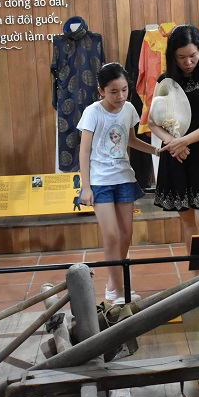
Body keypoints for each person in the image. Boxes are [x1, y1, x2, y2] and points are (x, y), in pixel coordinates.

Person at [78, 62, 161, 304]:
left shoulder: (129, 109)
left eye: (124, 90)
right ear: (101, 91)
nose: (121, 96)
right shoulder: (93, 112)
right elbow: (84, 151)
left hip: (124, 177)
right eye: (113, 92)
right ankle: (120, 289)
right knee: (112, 235)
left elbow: (130, 140)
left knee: (126, 234)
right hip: (100, 181)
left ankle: (113, 286)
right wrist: (86, 187)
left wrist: (156, 151)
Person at [149, 24, 199, 252]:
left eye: (193, 55)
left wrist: (184, 141)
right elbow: (153, 122)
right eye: (181, 57)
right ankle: (195, 272)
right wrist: (173, 143)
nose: (188, 62)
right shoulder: (165, 80)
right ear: (172, 56)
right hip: (177, 155)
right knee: (188, 222)